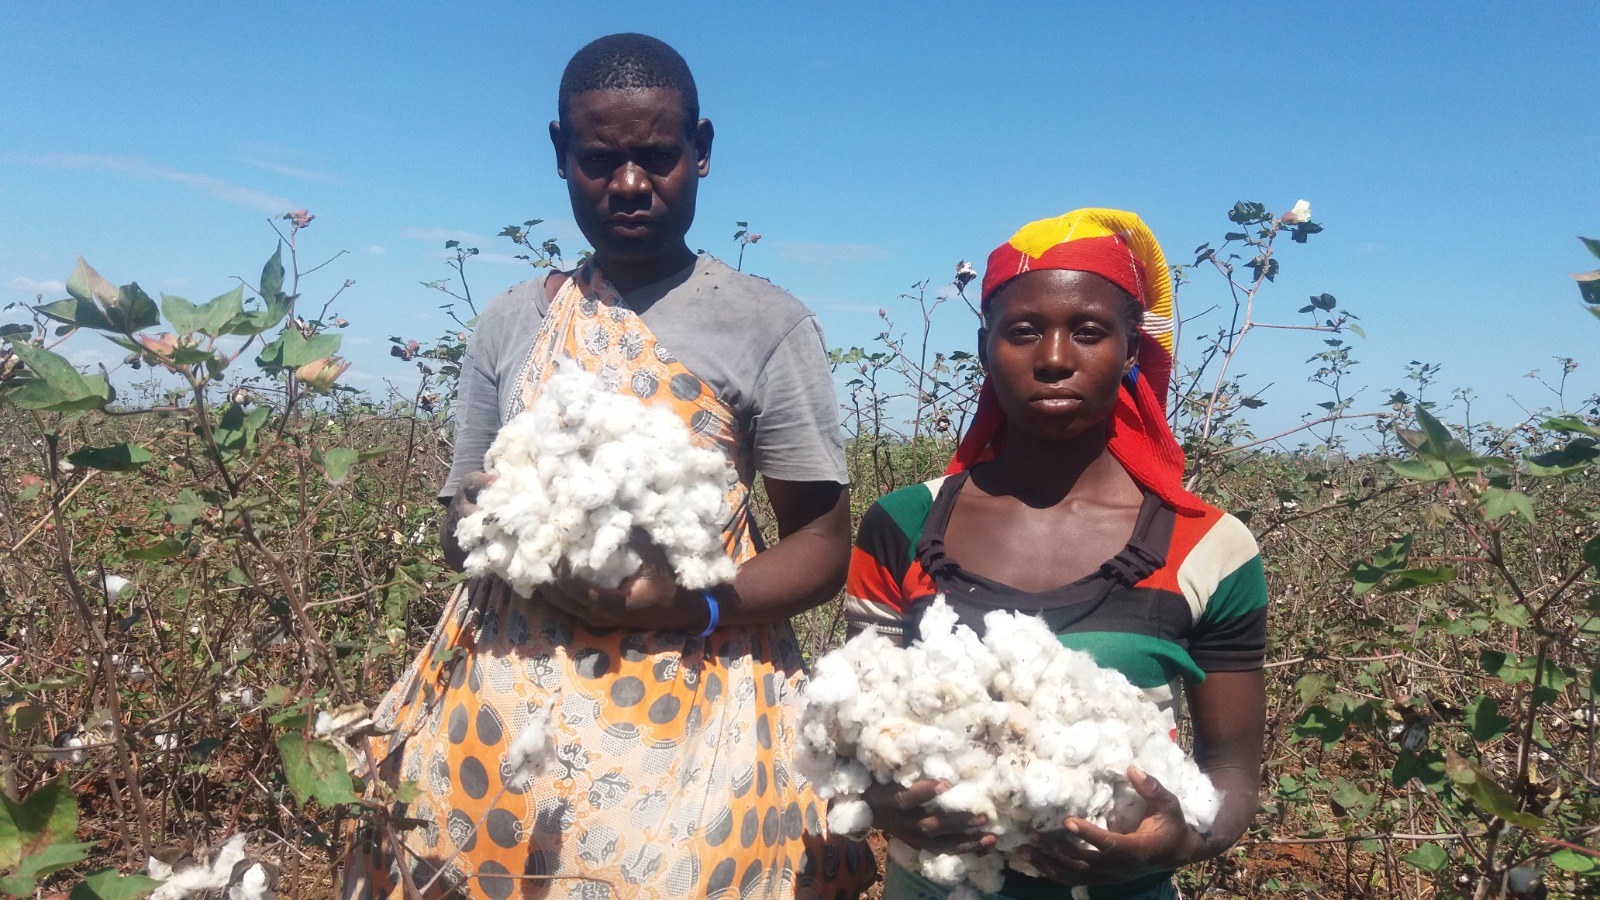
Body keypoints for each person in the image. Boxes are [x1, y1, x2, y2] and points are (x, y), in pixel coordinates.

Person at [343, 33, 873, 899]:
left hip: (700, 701)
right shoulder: (512, 323)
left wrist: (686, 604)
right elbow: (456, 526)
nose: (630, 184)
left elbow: (821, 544)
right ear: (560, 155)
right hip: (508, 705)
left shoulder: (765, 326)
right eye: (600, 159)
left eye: (657, 157)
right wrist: (498, 523)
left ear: (702, 151)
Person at [844, 210, 1267, 900]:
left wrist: (1180, 839)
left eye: (1090, 331)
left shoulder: (1210, 547)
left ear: (1132, 350)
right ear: (986, 348)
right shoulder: (902, 524)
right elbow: (857, 725)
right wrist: (883, 803)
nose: (1054, 358)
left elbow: (1231, 770)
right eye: (1024, 331)